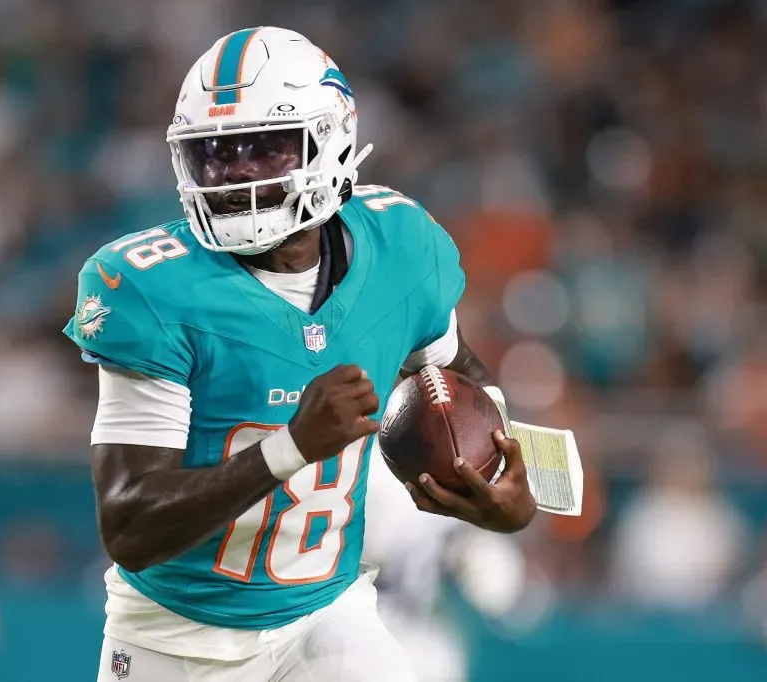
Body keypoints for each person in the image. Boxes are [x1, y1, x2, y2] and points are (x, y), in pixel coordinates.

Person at [63, 26, 536, 682]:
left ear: (331, 140)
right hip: (175, 636)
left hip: (325, 614)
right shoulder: (151, 286)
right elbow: (131, 528)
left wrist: (505, 477)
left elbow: (457, 379)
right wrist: (290, 447)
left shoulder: (399, 245)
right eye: (216, 153)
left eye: (265, 148)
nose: (236, 172)